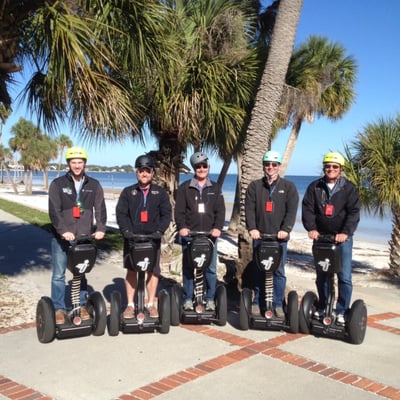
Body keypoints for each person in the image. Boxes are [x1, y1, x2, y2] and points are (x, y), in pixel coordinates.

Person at [49, 146, 107, 325]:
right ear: (68, 164)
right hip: (62, 238)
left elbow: (100, 208)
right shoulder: (58, 184)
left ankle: (80, 305)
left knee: (80, 273)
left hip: (83, 237)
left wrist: (101, 228)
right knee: (59, 275)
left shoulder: (93, 184)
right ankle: (59, 308)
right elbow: (54, 210)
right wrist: (63, 230)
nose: (76, 165)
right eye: (73, 162)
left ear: (84, 163)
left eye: (80, 162)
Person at [302, 152, 360, 325]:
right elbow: (308, 209)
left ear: (340, 169)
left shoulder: (348, 188)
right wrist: (311, 228)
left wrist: (345, 233)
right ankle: (323, 306)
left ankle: (342, 310)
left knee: (344, 276)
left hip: (342, 240)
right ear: (324, 168)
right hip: (321, 239)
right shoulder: (315, 187)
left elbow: (354, 213)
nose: (331, 169)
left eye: (335, 167)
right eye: (328, 166)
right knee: (322, 275)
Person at [116, 155, 172, 319]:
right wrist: (126, 231)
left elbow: (166, 214)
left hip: (152, 239)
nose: (144, 174)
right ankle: (130, 305)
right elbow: (121, 214)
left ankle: (150, 304)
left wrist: (160, 231)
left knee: (153, 271)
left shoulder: (159, 193)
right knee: (132, 270)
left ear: (152, 173)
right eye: (141, 171)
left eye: (147, 171)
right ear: (137, 173)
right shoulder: (128, 192)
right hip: (132, 239)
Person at [245, 150, 299, 318]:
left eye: (274, 165)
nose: (270, 167)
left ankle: (277, 303)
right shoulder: (255, 186)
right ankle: (257, 302)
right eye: (267, 164)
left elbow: (292, 211)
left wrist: (286, 229)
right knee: (259, 269)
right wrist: (252, 228)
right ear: (263, 166)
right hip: (260, 237)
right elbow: (249, 210)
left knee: (278, 272)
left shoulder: (288, 187)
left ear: (279, 167)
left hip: (279, 239)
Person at [175, 151, 225, 311]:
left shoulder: (215, 188)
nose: (202, 169)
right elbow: (179, 211)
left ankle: (209, 298)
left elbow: (220, 211)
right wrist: (182, 227)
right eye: (198, 166)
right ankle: (188, 298)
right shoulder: (185, 188)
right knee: (189, 268)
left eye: (204, 166)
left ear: (208, 167)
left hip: (210, 237)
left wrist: (217, 227)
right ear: (194, 169)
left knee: (210, 268)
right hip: (190, 236)